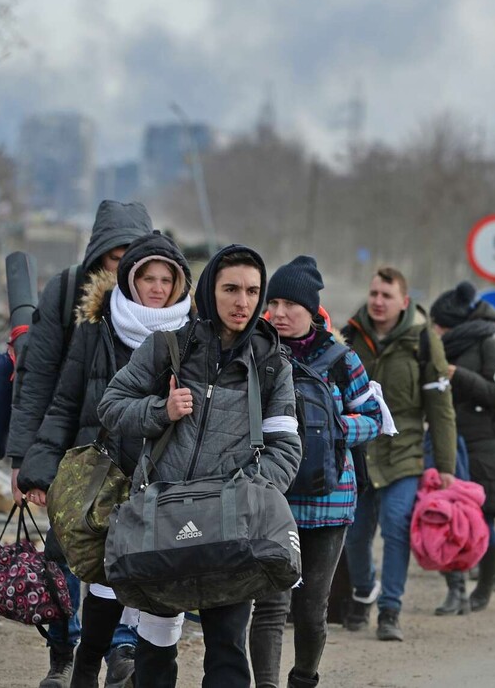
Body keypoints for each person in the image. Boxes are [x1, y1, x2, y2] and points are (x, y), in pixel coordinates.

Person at [98, 245, 302, 688]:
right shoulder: (167, 347)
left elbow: (286, 447)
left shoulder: (270, 364)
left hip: (230, 531)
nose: (242, 302)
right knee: (154, 652)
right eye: (230, 289)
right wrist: (161, 410)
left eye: (252, 291)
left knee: (228, 652)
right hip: (162, 522)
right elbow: (111, 407)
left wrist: (249, 494)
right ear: (209, 291)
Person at [17, 232, 193, 688]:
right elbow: (65, 400)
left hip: (162, 475)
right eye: (147, 278)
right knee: (94, 569)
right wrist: (39, 466)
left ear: (179, 284)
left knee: (150, 571)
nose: (156, 287)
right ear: (130, 280)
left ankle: (129, 658)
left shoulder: (192, 334)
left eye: (165, 279)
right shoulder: (97, 328)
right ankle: (82, 663)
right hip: (100, 473)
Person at [7, 200, 152, 688]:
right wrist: (27, 461)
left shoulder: (166, 305)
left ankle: (119, 652)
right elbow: (39, 379)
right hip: (74, 449)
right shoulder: (71, 295)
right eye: (115, 256)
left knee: (125, 551)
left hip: (139, 454)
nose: (124, 266)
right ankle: (63, 651)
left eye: (134, 254)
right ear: (96, 257)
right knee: (65, 549)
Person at [250, 256, 383, 688]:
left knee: (311, 609)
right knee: (269, 606)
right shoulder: (254, 352)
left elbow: (374, 418)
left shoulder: (342, 360)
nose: (279, 313)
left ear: (312, 310)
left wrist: (339, 426)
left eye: (291, 304)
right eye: (274, 303)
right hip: (272, 498)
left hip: (329, 503)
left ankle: (303, 678)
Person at [342, 267, 457, 641]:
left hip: (404, 451)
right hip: (360, 452)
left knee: (396, 524)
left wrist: (446, 466)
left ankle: (390, 609)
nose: (377, 301)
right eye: (374, 293)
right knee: (355, 534)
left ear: (403, 302)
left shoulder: (422, 341)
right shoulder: (350, 336)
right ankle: (364, 590)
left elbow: (440, 407)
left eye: (386, 296)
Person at [429, 281, 495, 613]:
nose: (434, 330)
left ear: (454, 324)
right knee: (450, 518)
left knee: (485, 521)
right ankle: (457, 589)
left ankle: (485, 584)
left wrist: (458, 375)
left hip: (487, 446)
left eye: (439, 324)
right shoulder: (442, 347)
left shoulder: (490, 344)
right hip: (452, 443)